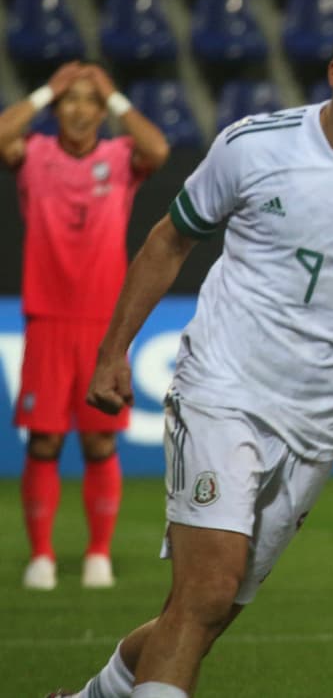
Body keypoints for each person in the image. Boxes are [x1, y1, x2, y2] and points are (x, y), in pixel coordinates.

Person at [52, 4, 333, 698]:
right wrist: (113, 351)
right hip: (223, 388)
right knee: (208, 587)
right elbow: (169, 239)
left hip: (315, 426)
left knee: (202, 614)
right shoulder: (255, 145)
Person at [0, 61, 170, 590]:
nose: (78, 109)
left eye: (87, 101)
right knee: (44, 441)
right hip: (47, 317)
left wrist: (115, 96)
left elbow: (159, 150)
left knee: (100, 443)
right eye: (69, 101)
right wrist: (45, 91)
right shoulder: (35, 154)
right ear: (57, 108)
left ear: (101, 111)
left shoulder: (120, 159)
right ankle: (42, 557)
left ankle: (98, 554)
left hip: (103, 322)